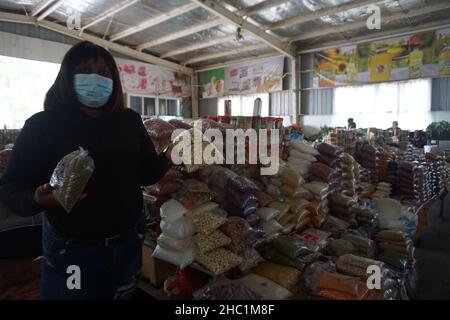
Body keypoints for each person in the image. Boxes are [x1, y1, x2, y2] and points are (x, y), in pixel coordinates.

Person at [0, 41, 171, 300]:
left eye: (104, 73)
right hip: (72, 250)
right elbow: (10, 189)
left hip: (127, 242)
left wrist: (171, 155)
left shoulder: (129, 120)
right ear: (67, 77)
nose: (95, 79)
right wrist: (37, 199)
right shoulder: (43, 125)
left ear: (113, 80)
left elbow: (146, 174)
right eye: (84, 70)